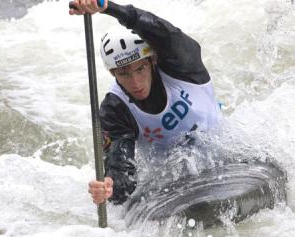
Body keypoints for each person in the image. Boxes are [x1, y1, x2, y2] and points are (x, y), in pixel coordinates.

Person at [69, 0, 221, 206]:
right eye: (123, 74)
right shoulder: (115, 109)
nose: (135, 83)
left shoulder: (182, 66)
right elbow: (122, 168)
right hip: (173, 179)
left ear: (152, 61)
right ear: (113, 73)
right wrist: (110, 185)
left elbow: (164, 33)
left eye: (140, 69)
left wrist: (109, 8)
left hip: (223, 154)